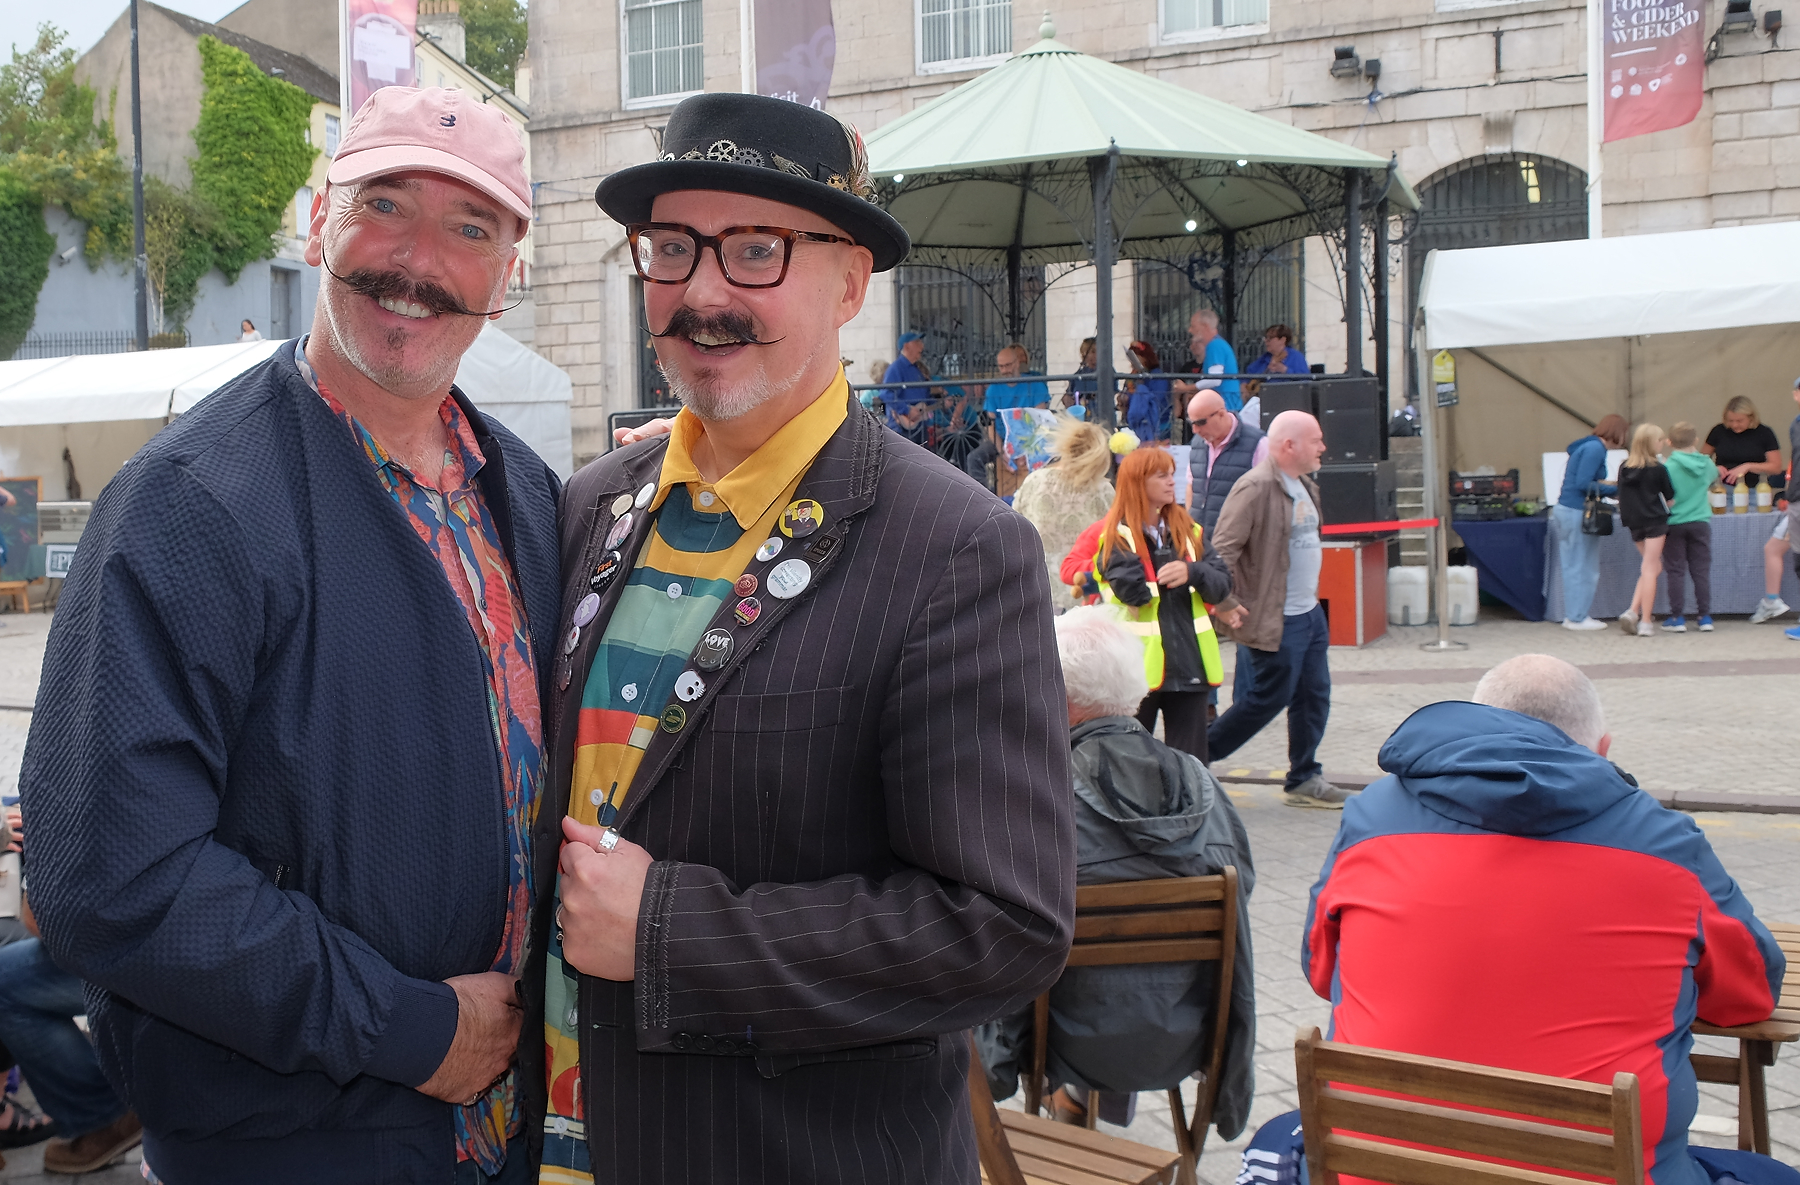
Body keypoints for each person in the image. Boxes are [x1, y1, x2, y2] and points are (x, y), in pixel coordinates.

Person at [22, 87, 559, 1184]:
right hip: (295, 1142)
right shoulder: (188, 503)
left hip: (510, 1136)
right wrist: (408, 1028)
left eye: (469, 228)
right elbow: (109, 877)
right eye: (384, 205)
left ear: (507, 275)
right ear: (319, 223)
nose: (418, 261)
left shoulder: (531, 493)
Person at [537, 91, 1076, 1185]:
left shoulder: (956, 548)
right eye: (672, 247)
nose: (701, 293)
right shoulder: (591, 505)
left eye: (756, 250)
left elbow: (1005, 927)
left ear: (850, 282)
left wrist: (667, 933)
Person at [1297, 654, 1789, 1185]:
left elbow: (1322, 971)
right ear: (1601, 750)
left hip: (1374, 1171)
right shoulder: (1667, 845)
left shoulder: (1369, 819)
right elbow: (1749, 995)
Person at [977, 608, 1257, 1139]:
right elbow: (1244, 886)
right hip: (1191, 1039)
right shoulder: (1203, 783)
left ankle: (1065, 1108)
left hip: (1059, 1045)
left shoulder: (1035, 805)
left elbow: (999, 935)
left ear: (1058, 698)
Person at [1207, 412, 1347, 808]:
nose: (1323, 448)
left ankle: (1304, 777)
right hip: (1274, 618)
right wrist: (1224, 602)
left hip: (1309, 614)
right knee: (1264, 700)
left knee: (1313, 696)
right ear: (1289, 445)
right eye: (1316, 440)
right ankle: (1191, 756)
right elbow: (1223, 549)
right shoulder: (1254, 487)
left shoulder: (1305, 485)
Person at [1095, 447, 1237, 763]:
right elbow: (1133, 592)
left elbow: (1223, 585)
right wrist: (1164, 564)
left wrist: (1192, 572)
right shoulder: (1117, 536)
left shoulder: (1191, 531)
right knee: (1131, 764)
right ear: (1137, 483)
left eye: (1172, 474)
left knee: (1191, 765)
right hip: (1136, 671)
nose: (1172, 482)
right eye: (1162, 476)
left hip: (1190, 666)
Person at [1012, 417, 1116, 610]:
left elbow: (1015, 527)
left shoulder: (1035, 480)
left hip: (1039, 586)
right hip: (1084, 589)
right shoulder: (1102, 489)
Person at [1552, 412, 1630, 630]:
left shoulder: (1586, 446)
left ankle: (1573, 615)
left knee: (1572, 565)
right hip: (1579, 511)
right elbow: (1584, 484)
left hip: (1567, 509)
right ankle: (1578, 617)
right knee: (1584, 566)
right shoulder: (1596, 449)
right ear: (1618, 433)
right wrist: (1616, 489)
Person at [1616, 423, 1673, 638]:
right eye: (1660, 440)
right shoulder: (1658, 468)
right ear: (1652, 443)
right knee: (1651, 568)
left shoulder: (1624, 467)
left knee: (1652, 566)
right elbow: (1670, 497)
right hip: (1655, 521)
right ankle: (1646, 621)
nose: (1662, 443)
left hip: (1634, 522)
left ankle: (1633, 610)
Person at [1661, 421, 1716, 633]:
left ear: (1669, 442)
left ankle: (1677, 617)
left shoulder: (1667, 467)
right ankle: (1704, 616)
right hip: (1700, 521)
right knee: (1701, 571)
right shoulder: (1707, 464)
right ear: (1696, 440)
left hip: (1674, 522)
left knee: (1675, 571)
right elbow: (1712, 479)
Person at [1753, 382, 1800, 626]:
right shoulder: (1796, 424)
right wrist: (1788, 494)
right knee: (1775, 549)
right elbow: (1794, 463)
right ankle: (1771, 600)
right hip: (1796, 500)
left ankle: (1771, 601)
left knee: (1773, 549)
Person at [1703, 394, 1784, 499]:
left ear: (1751, 417)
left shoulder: (1764, 433)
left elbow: (1776, 467)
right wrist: (1714, 468)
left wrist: (1748, 466)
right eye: (1730, 421)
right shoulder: (1718, 431)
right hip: (1721, 490)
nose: (1735, 425)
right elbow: (1701, 460)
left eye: (1739, 421)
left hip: (1754, 491)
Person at [1171, 309, 1241, 413]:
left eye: (1193, 326)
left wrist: (1186, 388)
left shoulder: (1215, 345)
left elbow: (1214, 380)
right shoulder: (1216, 344)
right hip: (1225, 404)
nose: (1190, 330)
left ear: (1204, 326)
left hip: (1225, 406)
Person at [1119, 340, 1173, 444]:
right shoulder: (1133, 375)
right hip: (1136, 425)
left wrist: (1131, 396)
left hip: (1157, 425)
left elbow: (1155, 399)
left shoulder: (1157, 376)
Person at [880, 331, 934, 435]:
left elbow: (925, 396)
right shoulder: (896, 368)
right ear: (907, 346)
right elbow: (886, 394)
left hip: (919, 425)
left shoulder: (917, 369)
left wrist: (939, 403)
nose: (922, 345)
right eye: (917, 342)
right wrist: (906, 409)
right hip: (901, 427)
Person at [1063, 336, 1098, 415]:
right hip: (1081, 416)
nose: (1096, 355)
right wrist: (1066, 399)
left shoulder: (1107, 371)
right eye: (1093, 352)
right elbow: (1069, 393)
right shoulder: (1078, 375)